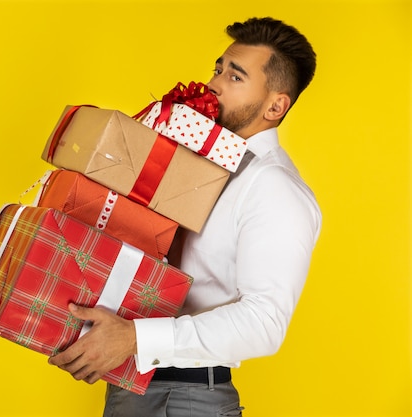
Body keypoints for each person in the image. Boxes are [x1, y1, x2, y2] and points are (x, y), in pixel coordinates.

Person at [48, 16, 322, 417]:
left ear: (276, 105)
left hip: (189, 399)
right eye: (218, 68)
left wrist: (135, 338)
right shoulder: (196, 162)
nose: (213, 83)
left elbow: (265, 322)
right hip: (130, 383)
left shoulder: (275, 189)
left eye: (235, 76)